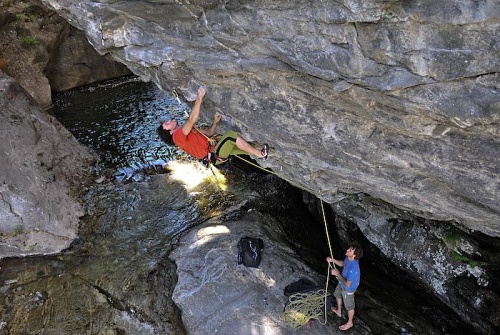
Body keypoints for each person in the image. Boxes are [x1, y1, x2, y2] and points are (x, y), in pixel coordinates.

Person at [157, 87, 269, 165]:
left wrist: (215, 122)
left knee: (249, 146)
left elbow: (209, 133)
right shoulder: (177, 136)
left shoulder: (186, 133)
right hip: (215, 153)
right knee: (231, 136)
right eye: (166, 124)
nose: (168, 120)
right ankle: (260, 154)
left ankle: (260, 151)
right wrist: (199, 97)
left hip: (216, 146)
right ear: (170, 132)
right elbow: (192, 119)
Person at [326, 242, 363, 331]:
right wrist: (332, 260)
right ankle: (339, 311)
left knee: (350, 307)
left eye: (350, 250)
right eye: (349, 248)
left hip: (348, 288)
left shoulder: (353, 269)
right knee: (338, 295)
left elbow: (347, 284)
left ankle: (350, 323)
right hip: (342, 281)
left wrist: (337, 274)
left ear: (354, 255)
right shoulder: (349, 258)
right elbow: (343, 263)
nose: (347, 250)